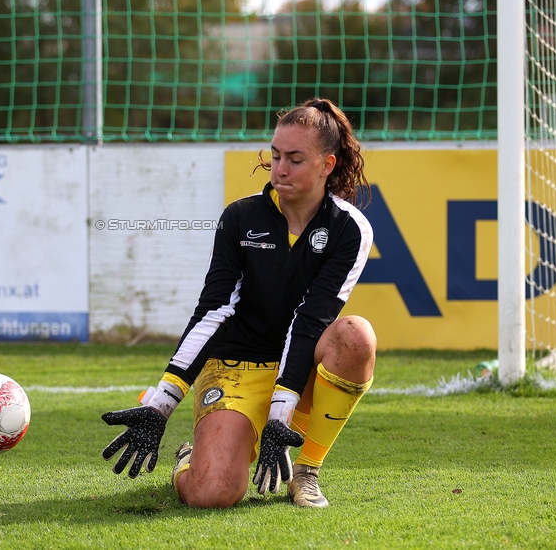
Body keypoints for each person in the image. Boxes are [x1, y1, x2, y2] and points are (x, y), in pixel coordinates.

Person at [101, 97, 376, 509]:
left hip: (297, 368)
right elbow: (214, 311)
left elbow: (309, 321)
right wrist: (161, 404)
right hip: (235, 368)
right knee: (212, 493)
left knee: (355, 336)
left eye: (295, 159)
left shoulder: (349, 229)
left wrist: (281, 414)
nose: (280, 169)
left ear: (328, 165)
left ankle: (306, 471)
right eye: (276, 155)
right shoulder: (240, 216)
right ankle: (190, 458)